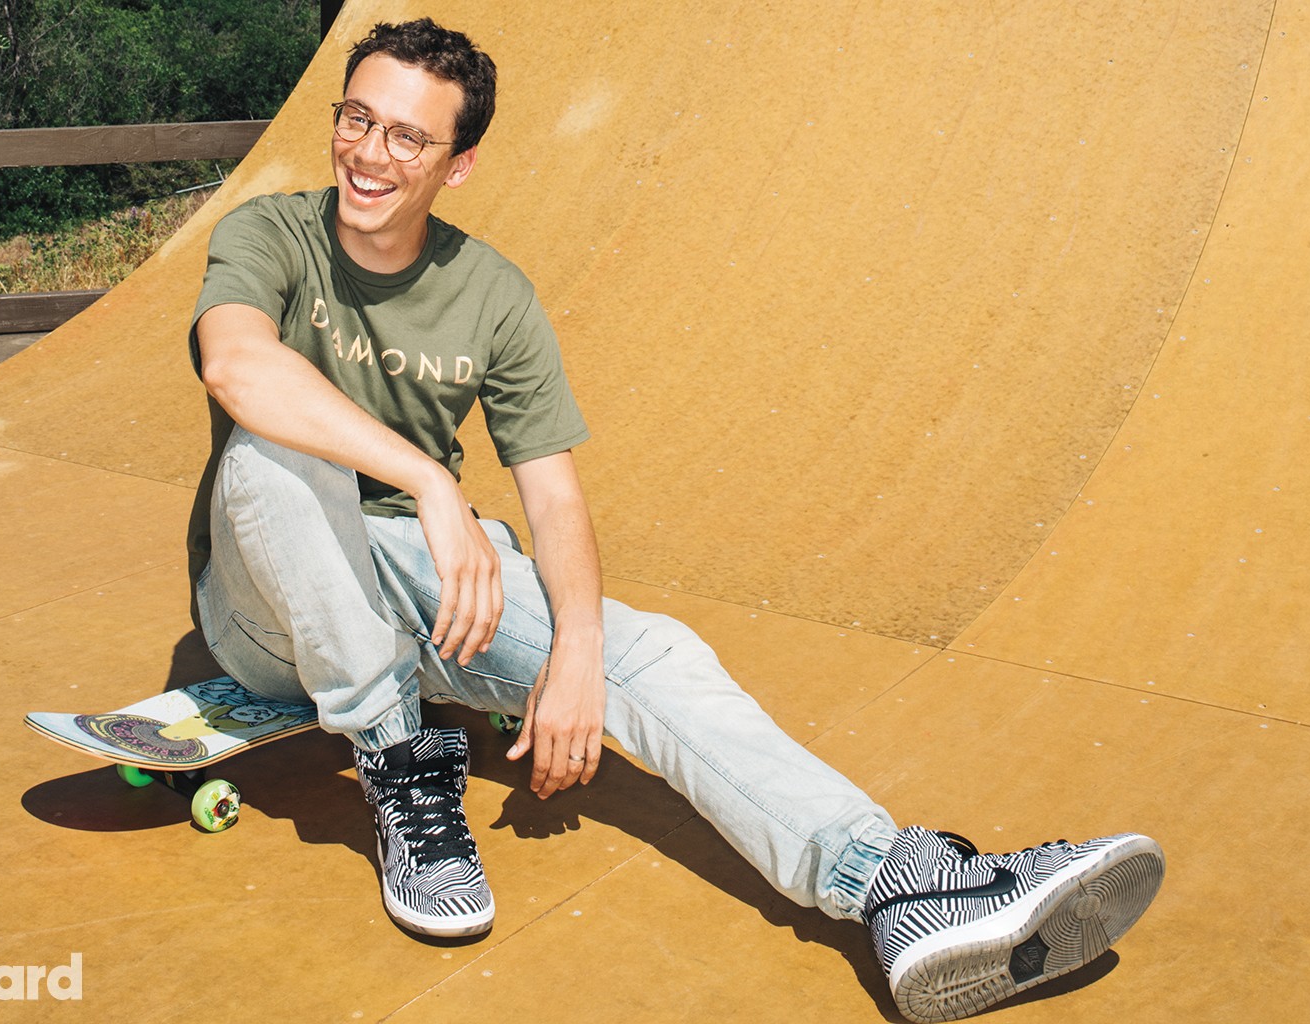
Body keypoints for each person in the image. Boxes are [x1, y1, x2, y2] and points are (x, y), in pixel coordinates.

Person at [186, 18, 1164, 1023]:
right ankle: (397, 761)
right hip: (271, 601)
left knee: (656, 657)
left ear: (459, 164)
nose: (368, 154)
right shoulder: (271, 235)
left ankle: (896, 884)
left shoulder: (492, 294)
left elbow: (553, 493)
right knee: (273, 450)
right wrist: (431, 486)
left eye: (406, 137)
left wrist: (579, 651)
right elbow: (237, 366)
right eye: (357, 118)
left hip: (431, 589)